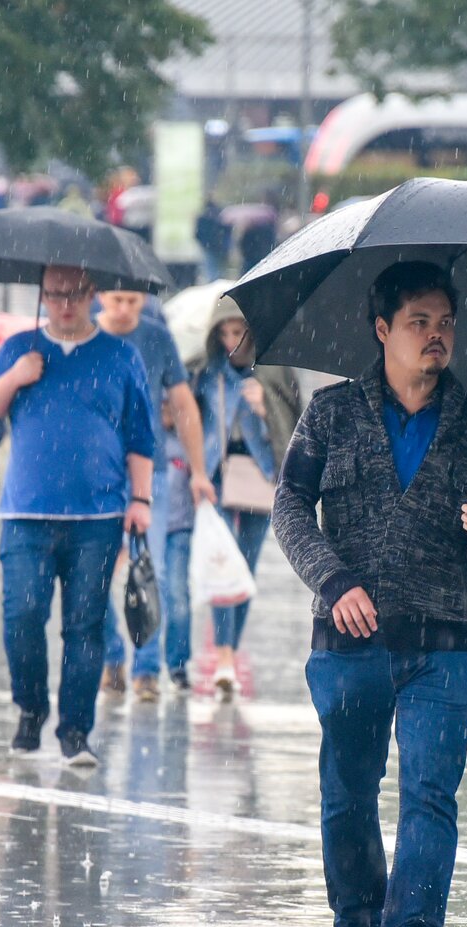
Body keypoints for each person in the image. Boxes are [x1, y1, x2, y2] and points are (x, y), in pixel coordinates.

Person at [273, 261, 467, 927]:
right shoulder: (330, 413)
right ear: (382, 329)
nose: (436, 335)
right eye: (420, 322)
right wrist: (333, 579)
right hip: (349, 644)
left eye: (447, 322)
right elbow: (290, 506)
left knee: (430, 795)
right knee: (348, 794)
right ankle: (355, 925)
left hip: (445, 647)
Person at [0, 265, 154, 768]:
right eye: (54, 295)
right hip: (26, 513)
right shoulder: (19, 348)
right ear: (42, 295)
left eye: (74, 295)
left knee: (85, 626)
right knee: (22, 618)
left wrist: (141, 501)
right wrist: (15, 375)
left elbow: (141, 435)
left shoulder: (121, 356)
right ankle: (30, 711)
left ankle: (75, 730)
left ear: (92, 294)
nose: (64, 305)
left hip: (98, 516)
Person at [95, 290, 215, 701]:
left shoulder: (158, 337)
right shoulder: (88, 334)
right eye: (118, 300)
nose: (126, 309)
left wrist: (199, 470)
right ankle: (112, 654)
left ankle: (147, 668)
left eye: (134, 300)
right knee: (93, 572)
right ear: (101, 296)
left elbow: (183, 405)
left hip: (153, 469)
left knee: (153, 571)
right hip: (99, 472)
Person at [196, 295, 302, 698]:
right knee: (223, 564)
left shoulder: (273, 372)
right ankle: (223, 657)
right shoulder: (208, 374)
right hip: (218, 476)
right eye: (224, 332)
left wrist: (266, 407)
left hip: (261, 475)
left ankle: (230, 649)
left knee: (245, 567)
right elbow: (187, 418)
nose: (231, 340)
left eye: (238, 331)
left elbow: (298, 419)